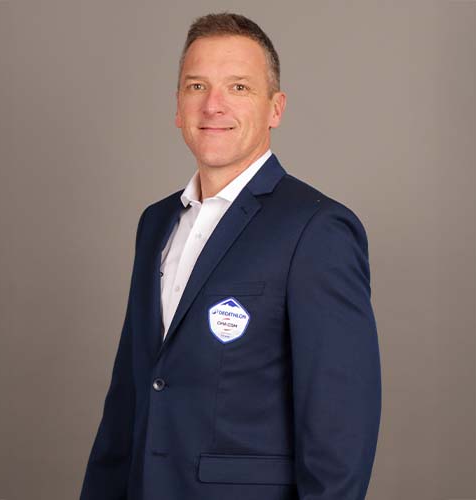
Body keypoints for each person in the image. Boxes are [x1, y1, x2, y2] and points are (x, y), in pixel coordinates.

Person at [80, 12, 381, 500]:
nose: (213, 104)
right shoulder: (155, 223)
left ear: (275, 108)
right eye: (196, 86)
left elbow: (341, 430)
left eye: (238, 87)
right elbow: (129, 399)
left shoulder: (317, 229)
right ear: (178, 106)